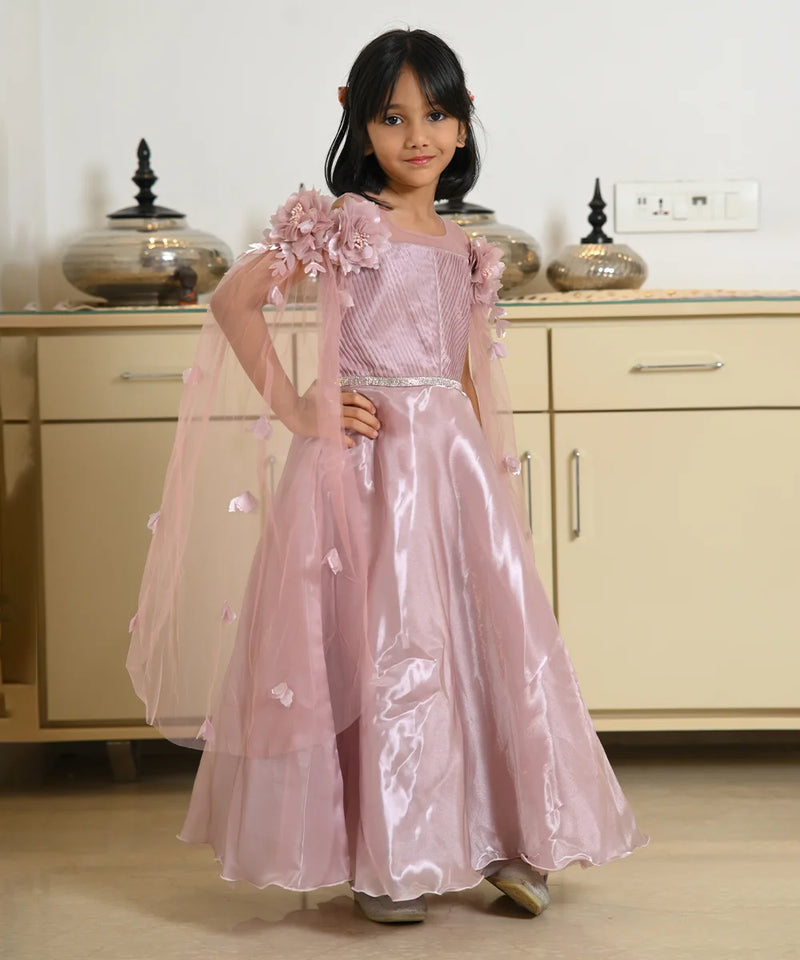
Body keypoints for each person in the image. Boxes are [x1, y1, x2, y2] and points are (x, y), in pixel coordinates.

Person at [127, 27, 647, 925]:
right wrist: (300, 408)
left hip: (449, 468)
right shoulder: (344, 223)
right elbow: (232, 299)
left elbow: (469, 364)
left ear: (463, 119)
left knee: (487, 646)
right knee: (383, 647)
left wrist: (487, 467)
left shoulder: (461, 242)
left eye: (436, 114)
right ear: (357, 123)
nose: (418, 135)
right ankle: (385, 852)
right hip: (365, 470)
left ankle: (506, 842)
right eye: (394, 115)